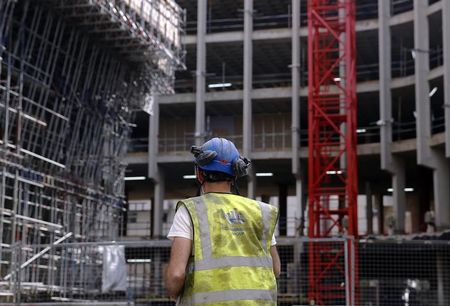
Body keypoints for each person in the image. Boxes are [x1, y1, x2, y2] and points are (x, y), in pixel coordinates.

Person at [165, 137, 280, 305]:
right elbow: (275, 269)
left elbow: (176, 274)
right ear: (235, 174)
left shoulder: (190, 211)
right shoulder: (260, 212)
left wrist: (172, 292)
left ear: (199, 173)